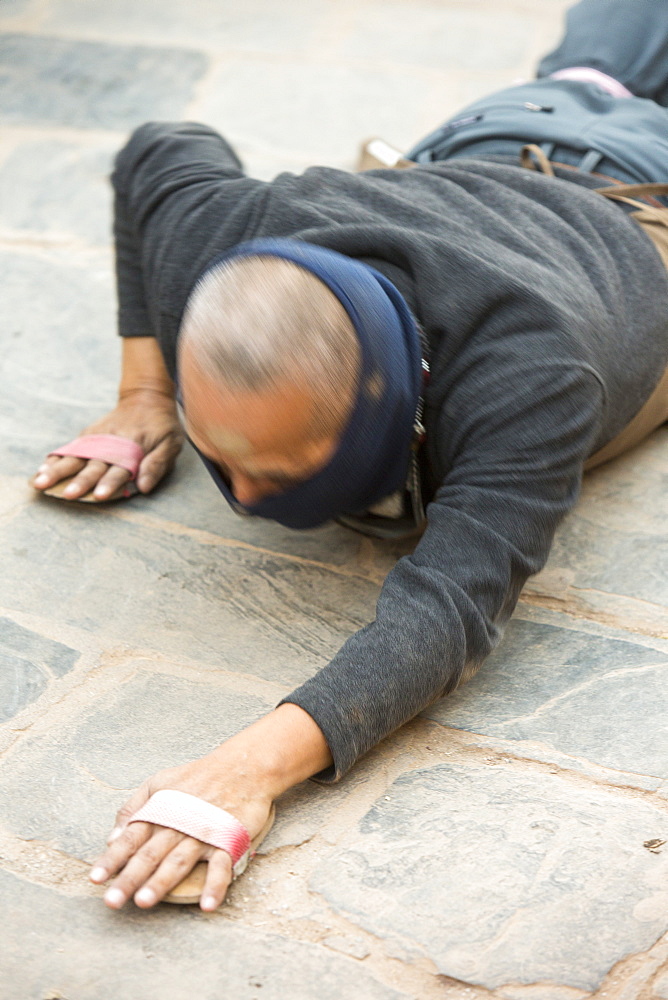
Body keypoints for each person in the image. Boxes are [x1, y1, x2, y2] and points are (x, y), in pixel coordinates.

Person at [31, 0, 668, 913]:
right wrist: (143, 394)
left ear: (393, 409)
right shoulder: (216, 237)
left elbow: (450, 604)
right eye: (225, 456)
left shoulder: (529, 370)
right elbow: (156, 144)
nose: (244, 501)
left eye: (280, 467)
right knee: (594, 64)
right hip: (503, 130)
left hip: (641, 206)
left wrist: (245, 766)